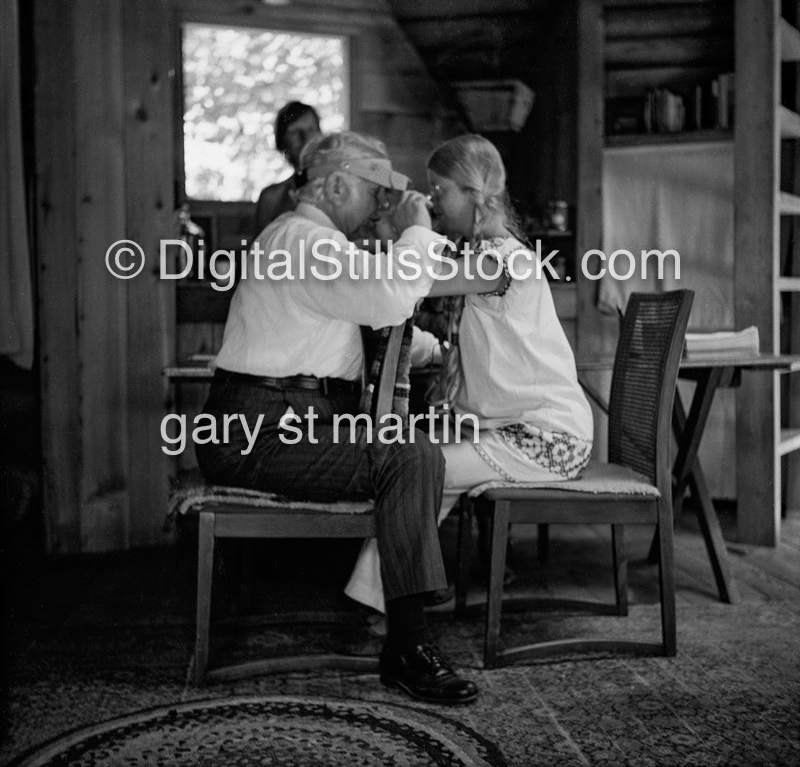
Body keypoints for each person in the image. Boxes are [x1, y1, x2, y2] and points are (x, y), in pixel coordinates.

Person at [197, 131, 498, 706]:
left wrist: (440, 351)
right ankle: (409, 646)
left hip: (285, 421)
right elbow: (388, 297)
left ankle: (405, 628)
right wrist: (416, 227)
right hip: (261, 430)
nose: (382, 204)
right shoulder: (302, 239)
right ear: (335, 184)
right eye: (375, 191)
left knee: (411, 449)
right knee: (410, 455)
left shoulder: (315, 245)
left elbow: (372, 324)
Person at [345, 133, 594, 613]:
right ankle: (397, 594)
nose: (434, 203)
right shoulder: (482, 257)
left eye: (440, 192)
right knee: (420, 462)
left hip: (546, 437)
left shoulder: (503, 260)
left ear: (475, 193)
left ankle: (381, 604)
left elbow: (413, 284)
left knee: (421, 471)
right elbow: (407, 279)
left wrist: (410, 227)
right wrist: (395, 236)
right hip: (511, 429)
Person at [253, 101, 321, 237]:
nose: (305, 138)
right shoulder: (272, 198)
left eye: (311, 130)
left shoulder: (338, 188)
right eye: (294, 132)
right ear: (282, 142)